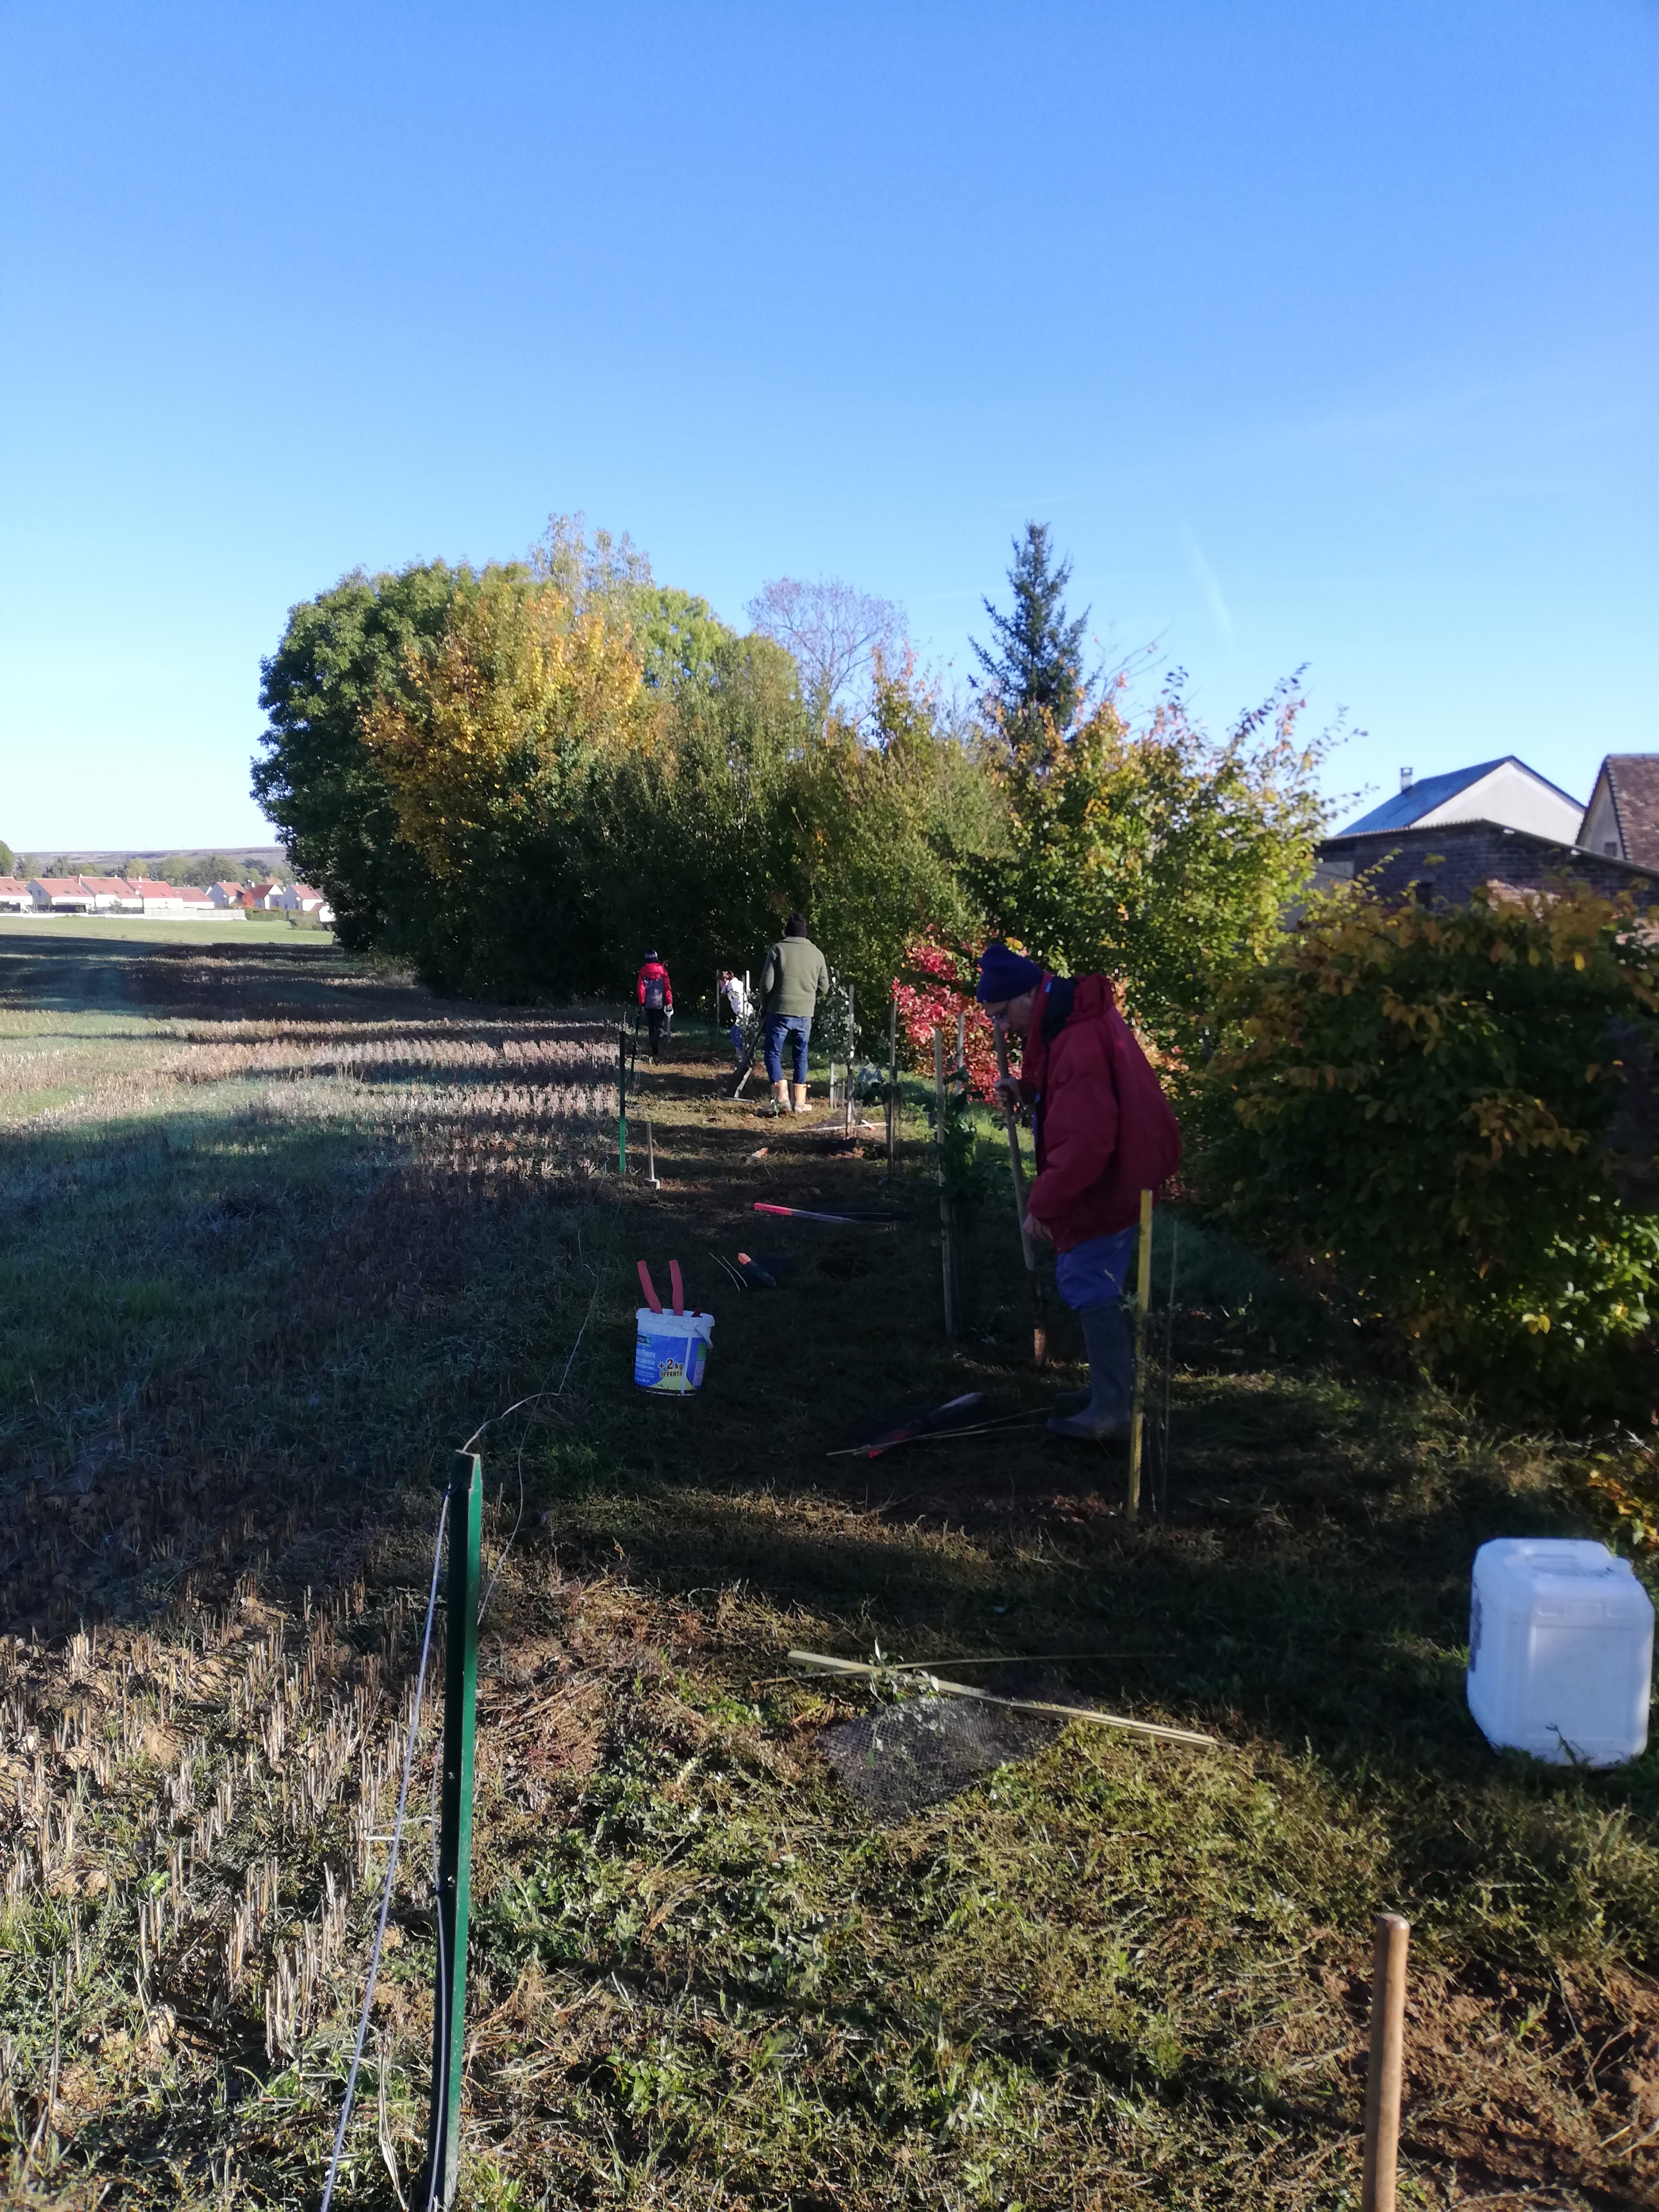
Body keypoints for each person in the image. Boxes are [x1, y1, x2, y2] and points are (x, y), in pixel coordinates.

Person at [977, 940, 1181, 1441]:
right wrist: (1028, 1091)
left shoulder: (1078, 1037)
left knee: (1086, 1278)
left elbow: (1087, 1140)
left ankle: (1113, 1408)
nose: (1003, 1030)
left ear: (1026, 995)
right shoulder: (1064, 1017)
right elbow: (1068, 1095)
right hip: (1121, 1164)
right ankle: (1111, 1392)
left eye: (1002, 1016)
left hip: (1116, 1174)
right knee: (1091, 1277)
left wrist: (1042, 1206)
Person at [757, 912, 829, 1114]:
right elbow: (824, 987)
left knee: (773, 1052)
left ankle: (782, 1100)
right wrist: (809, 998)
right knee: (801, 1055)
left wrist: (765, 1005)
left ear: (787, 931)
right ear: (805, 933)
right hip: (805, 1013)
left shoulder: (778, 949)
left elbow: (766, 984)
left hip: (779, 1011)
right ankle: (800, 1103)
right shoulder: (817, 953)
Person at [636, 947, 673, 1060]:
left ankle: (654, 1048)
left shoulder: (642, 972)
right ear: (656, 958)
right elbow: (667, 988)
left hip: (648, 1004)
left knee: (651, 1027)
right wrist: (669, 1002)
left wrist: (642, 1003)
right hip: (659, 1004)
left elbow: (641, 989)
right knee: (659, 1027)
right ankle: (657, 1043)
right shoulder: (663, 971)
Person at [719, 969, 750, 1066]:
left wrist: (731, 988)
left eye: (720, 983)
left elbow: (739, 986)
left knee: (738, 1036)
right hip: (740, 1016)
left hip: (745, 1014)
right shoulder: (729, 988)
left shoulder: (734, 984)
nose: (720, 985)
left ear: (724, 980)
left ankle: (744, 1059)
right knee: (733, 1033)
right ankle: (741, 1058)